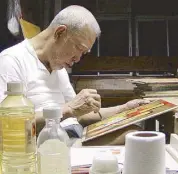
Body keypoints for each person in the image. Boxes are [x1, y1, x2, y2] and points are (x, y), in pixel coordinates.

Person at [0, 5, 149, 144]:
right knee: (134, 138)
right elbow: (7, 123)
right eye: (78, 48)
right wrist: (68, 109)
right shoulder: (12, 61)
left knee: (136, 134)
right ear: (60, 32)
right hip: (46, 143)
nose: (78, 59)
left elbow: (81, 115)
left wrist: (125, 108)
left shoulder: (59, 67)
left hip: (74, 135)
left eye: (83, 53)